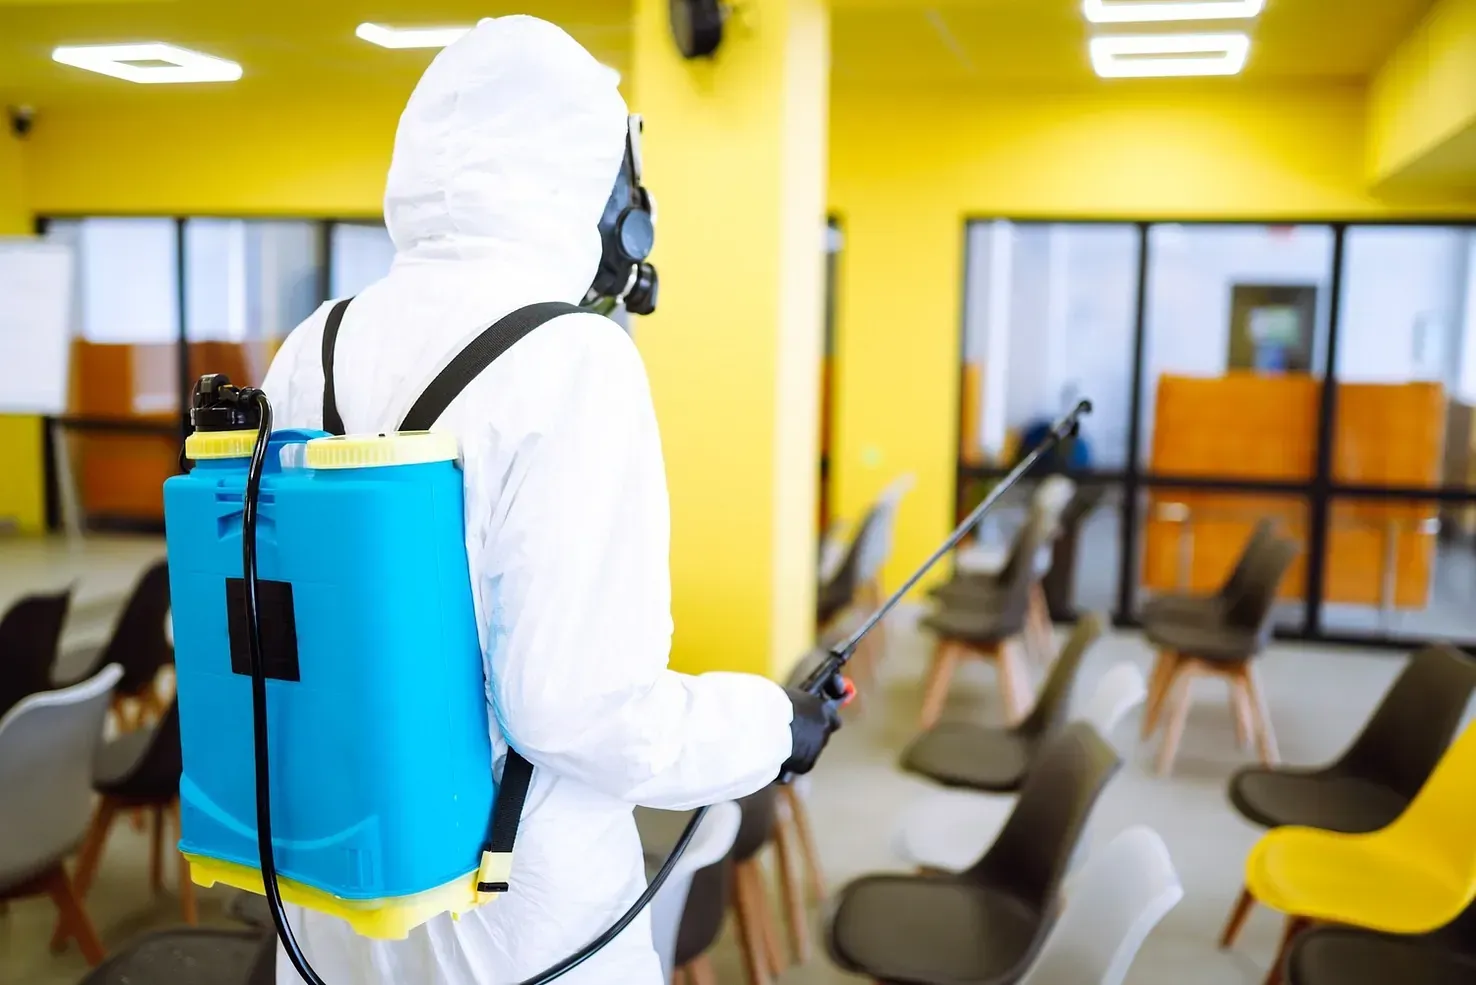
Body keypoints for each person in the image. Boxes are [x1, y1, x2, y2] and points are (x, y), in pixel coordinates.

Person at [259, 14, 841, 985]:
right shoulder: (574, 360)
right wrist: (772, 727)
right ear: (588, 187)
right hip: (513, 917)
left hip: (335, 890)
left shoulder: (311, 341)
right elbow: (579, 712)